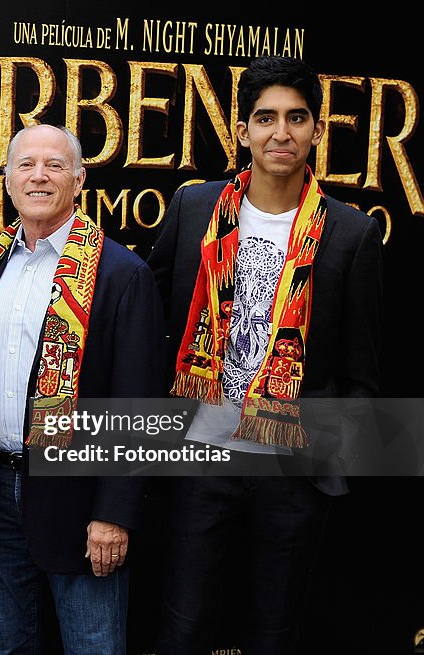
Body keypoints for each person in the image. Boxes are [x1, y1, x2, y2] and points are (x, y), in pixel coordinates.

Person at [146, 55, 384, 655]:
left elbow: (362, 371)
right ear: (243, 130)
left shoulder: (351, 234)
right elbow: (151, 325)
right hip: (197, 460)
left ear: (316, 131)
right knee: (183, 629)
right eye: (266, 118)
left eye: (297, 118)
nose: (282, 132)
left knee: (275, 635)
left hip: (291, 474)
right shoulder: (195, 209)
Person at [0, 123, 164, 654]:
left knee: (92, 646)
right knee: (1, 646)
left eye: (53, 165)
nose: (39, 176)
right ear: (7, 181)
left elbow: (136, 406)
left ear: (79, 179)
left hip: (79, 501)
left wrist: (114, 514)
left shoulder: (122, 273)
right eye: (25, 165)